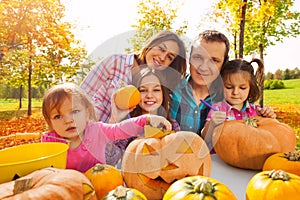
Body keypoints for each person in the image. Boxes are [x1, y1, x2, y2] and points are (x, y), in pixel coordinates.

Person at [41, 83, 172, 173]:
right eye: (58, 116)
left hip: (99, 185)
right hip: (66, 190)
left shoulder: (97, 130)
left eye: (75, 112)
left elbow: (120, 129)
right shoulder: (50, 141)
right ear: (50, 122)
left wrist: (146, 119)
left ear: (87, 112)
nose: (68, 120)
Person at [80, 30, 187, 122]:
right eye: (161, 49)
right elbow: (82, 94)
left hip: (121, 144)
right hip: (90, 134)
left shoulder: (157, 86)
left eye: (169, 57)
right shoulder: (116, 62)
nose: (163, 57)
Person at [106, 67, 180, 166]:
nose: (149, 95)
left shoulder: (172, 125)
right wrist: (114, 120)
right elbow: (108, 161)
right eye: (143, 90)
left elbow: (178, 159)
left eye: (156, 90)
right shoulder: (127, 126)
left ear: (163, 93)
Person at [202, 58, 276, 152]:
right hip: (220, 159)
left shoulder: (256, 111)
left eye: (242, 88)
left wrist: (270, 118)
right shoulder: (217, 109)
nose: (235, 92)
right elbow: (205, 138)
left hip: (249, 158)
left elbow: (272, 135)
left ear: (250, 88)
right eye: (229, 87)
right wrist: (212, 124)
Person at [170, 30, 230, 135]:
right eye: (198, 57)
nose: (203, 67)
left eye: (214, 60)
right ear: (189, 58)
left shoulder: (228, 98)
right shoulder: (170, 91)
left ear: (223, 64)